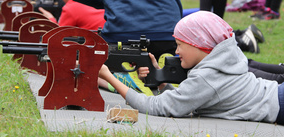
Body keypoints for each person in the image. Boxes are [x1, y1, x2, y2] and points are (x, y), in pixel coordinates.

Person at [98, 11, 283, 125]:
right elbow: (184, 100)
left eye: (179, 44)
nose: (177, 51)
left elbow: (156, 107)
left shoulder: (205, 78)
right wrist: (159, 82)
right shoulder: (219, 63)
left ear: (198, 44)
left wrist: (109, 77)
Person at [38, 0, 105, 30]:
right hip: (108, 33)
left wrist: (51, 19)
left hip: (98, 40)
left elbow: (60, 34)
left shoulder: (70, 7)